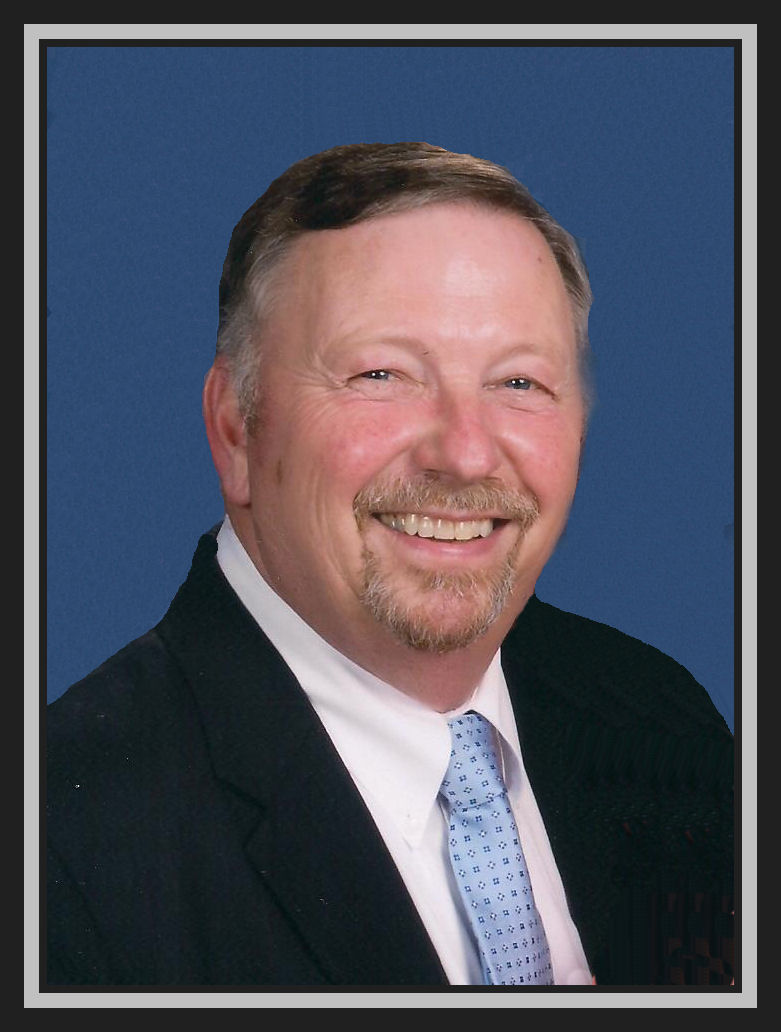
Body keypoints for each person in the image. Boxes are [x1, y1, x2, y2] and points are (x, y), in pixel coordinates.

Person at [46, 142, 734, 989]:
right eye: (381, 374)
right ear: (235, 429)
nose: (466, 453)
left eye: (519, 383)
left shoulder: (658, 716)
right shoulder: (64, 850)